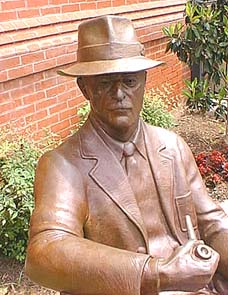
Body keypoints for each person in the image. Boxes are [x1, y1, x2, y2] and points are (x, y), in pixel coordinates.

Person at [25, 15, 228, 295]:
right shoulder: (62, 165)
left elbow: (214, 223)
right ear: (84, 88)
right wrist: (156, 274)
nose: (119, 93)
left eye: (130, 81)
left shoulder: (172, 146)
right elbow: (45, 250)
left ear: (144, 81)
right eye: (105, 83)